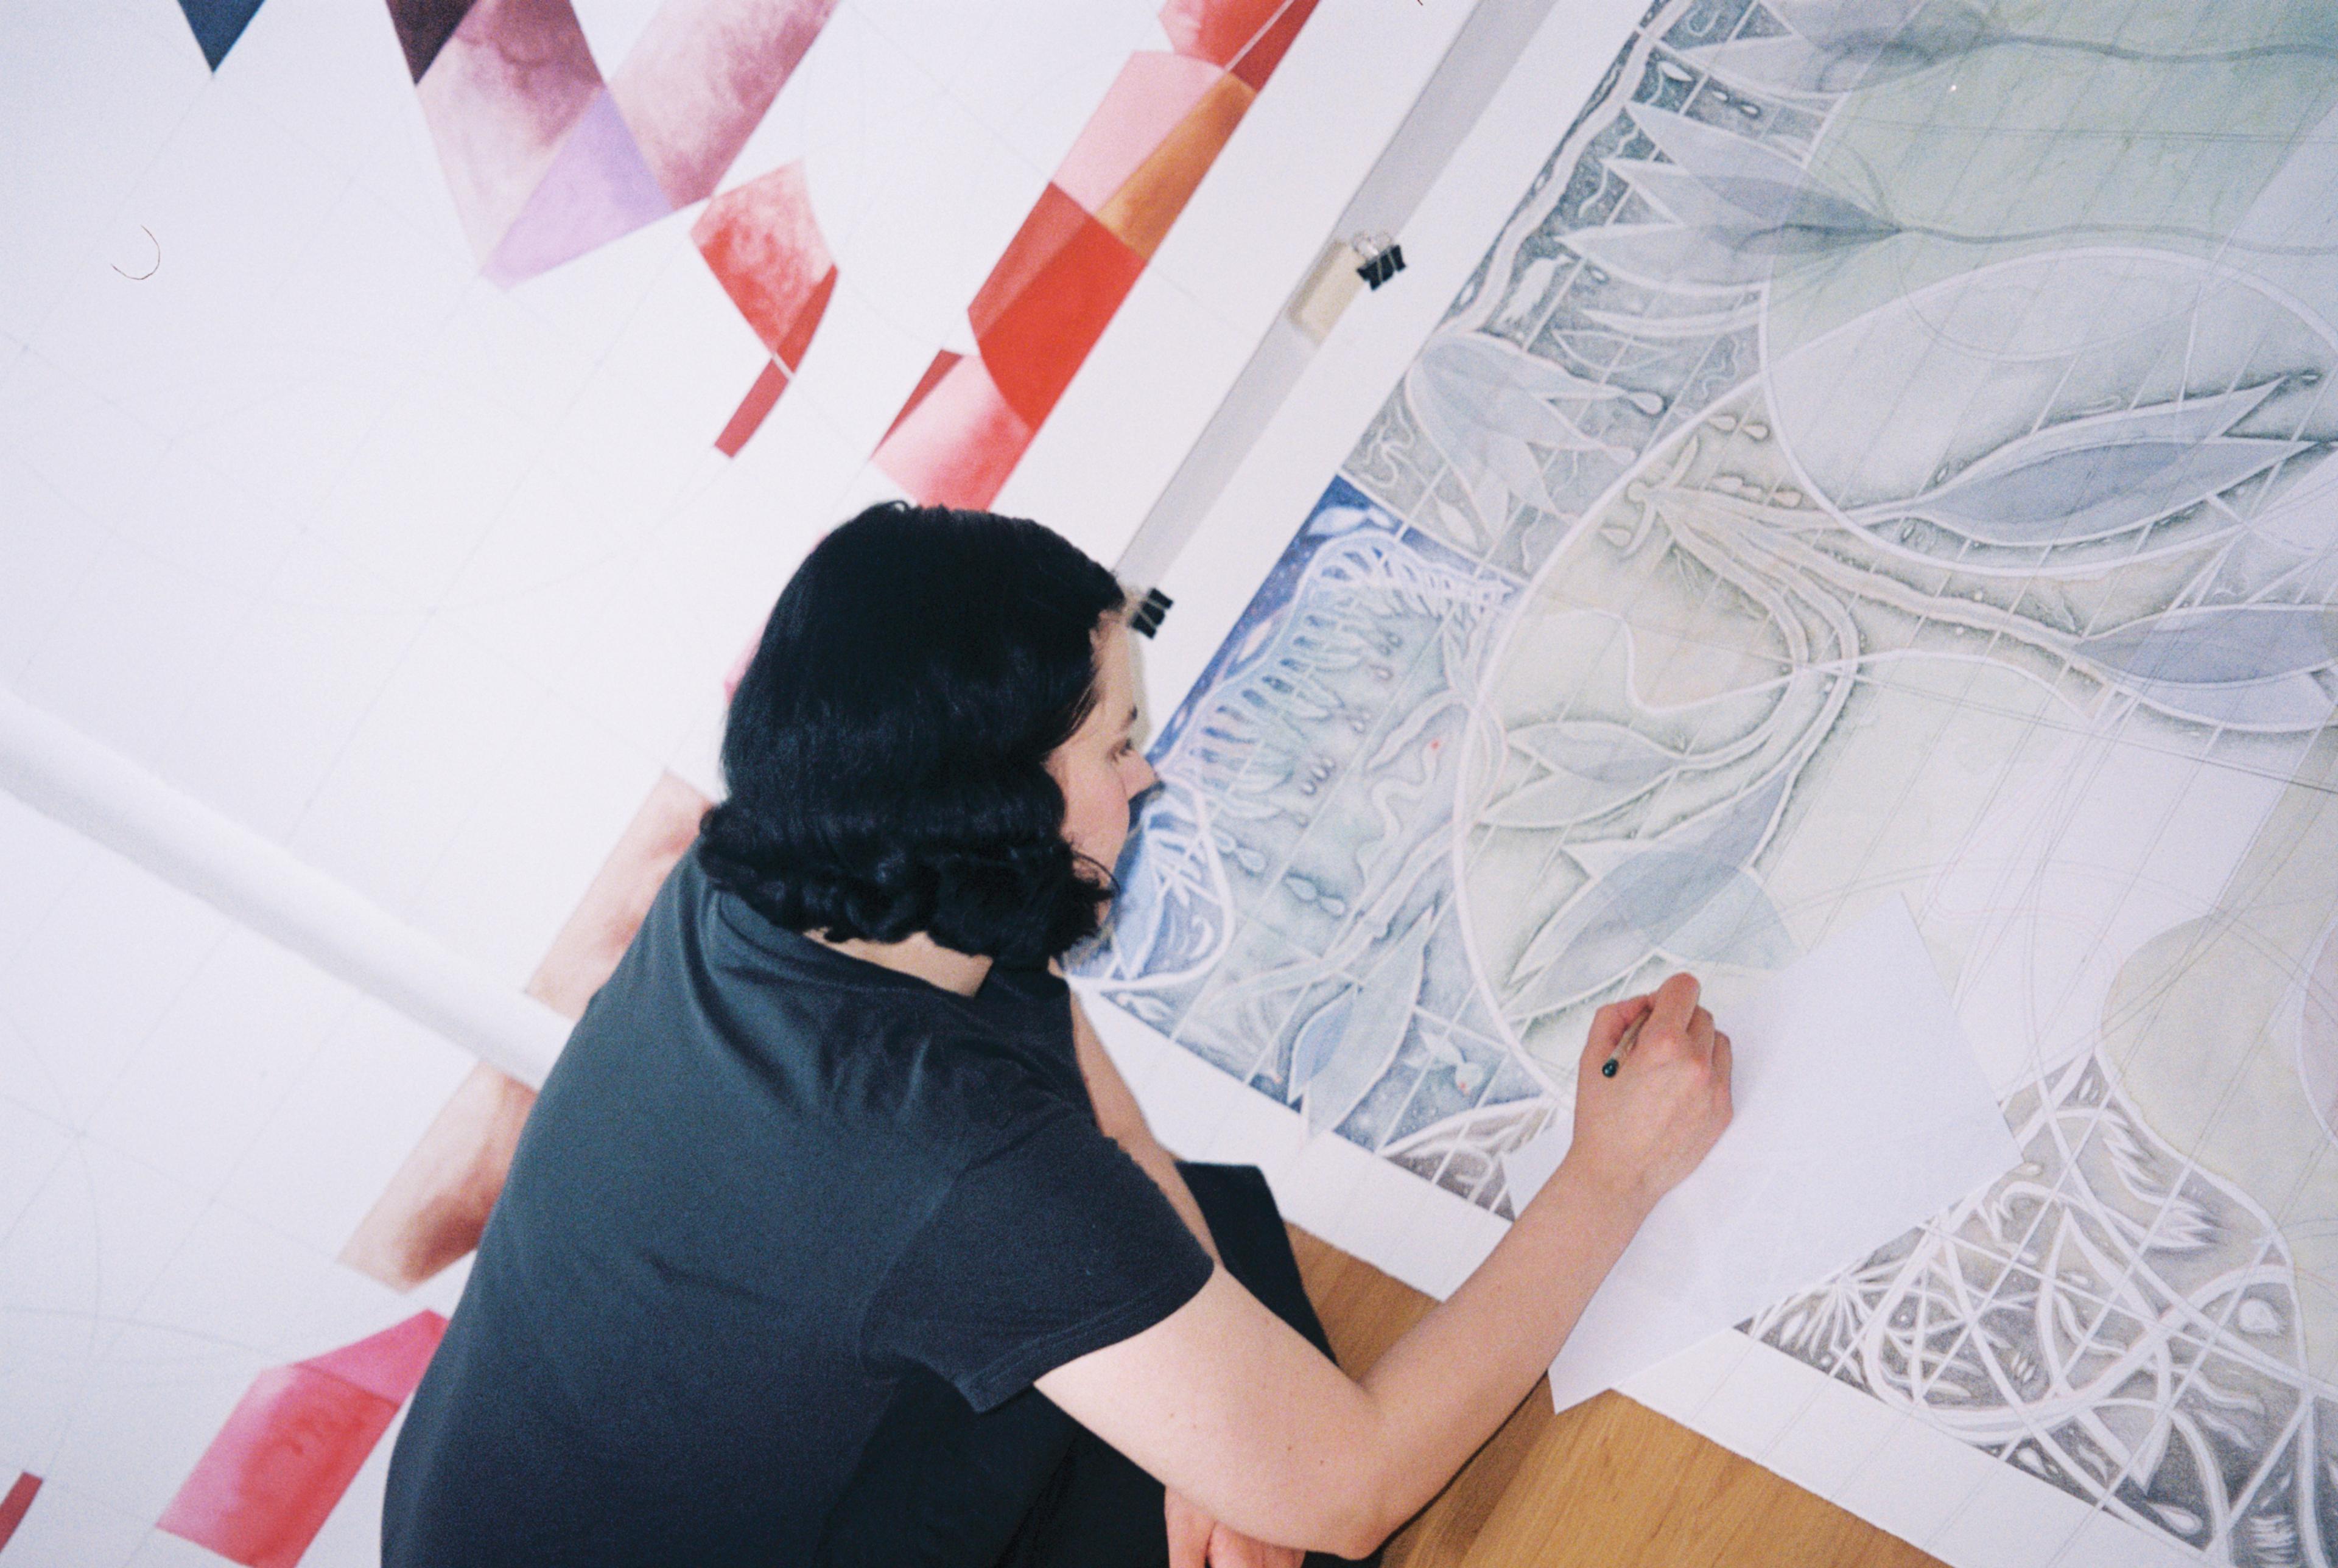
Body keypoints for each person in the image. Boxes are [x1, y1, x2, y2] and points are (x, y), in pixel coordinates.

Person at [382, 503, 1733, 1567]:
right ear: (993, 810)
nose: (1149, 770)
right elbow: (1358, 1485)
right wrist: (1611, 1173)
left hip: (620, 1487)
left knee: (1206, 1281)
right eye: (1118, 743)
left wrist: (1212, 1456)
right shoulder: (938, 1155)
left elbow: (1116, 1124)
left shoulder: (800, 872)